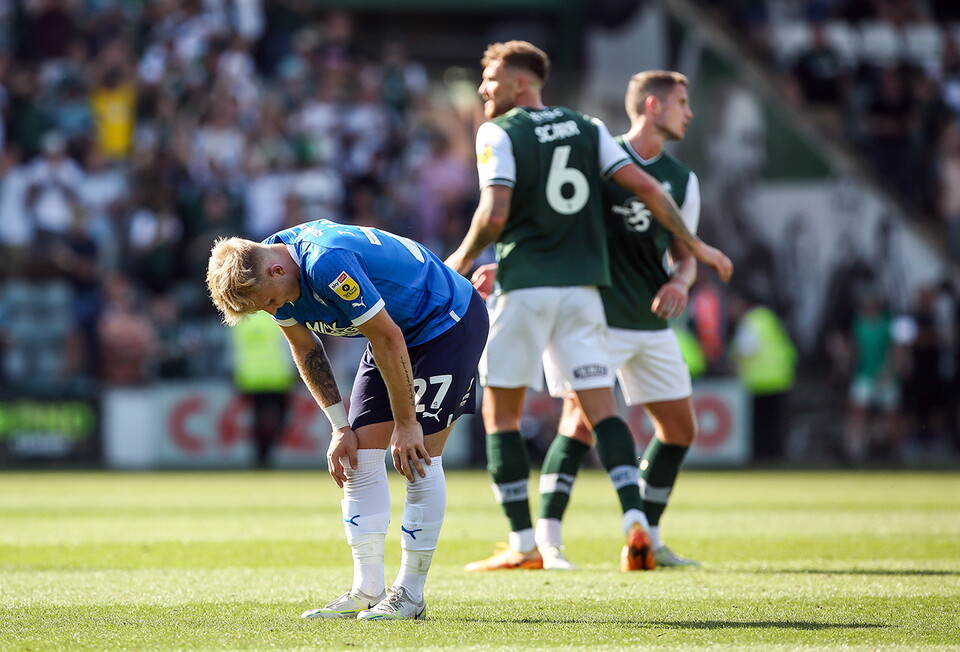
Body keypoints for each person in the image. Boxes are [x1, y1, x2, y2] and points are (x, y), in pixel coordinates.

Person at [444, 41, 732, 572]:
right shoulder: (588, 127)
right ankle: (635, 526)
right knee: (600, 412)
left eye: (490, 77)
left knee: (500, 415)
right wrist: (698, 246)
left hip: (528, 285)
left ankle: (526, 543)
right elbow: (644, 186)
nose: (484, 88)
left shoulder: (498, 132)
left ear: (521, 82)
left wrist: (456, 263)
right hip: (583, 295)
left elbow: (496, 210)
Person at [206, 219, 488, 620]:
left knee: (418, 457)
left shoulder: (326, 262)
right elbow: (305, 349)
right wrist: (339, 426)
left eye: (269, 302)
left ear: (277, 271)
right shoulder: (271, 268)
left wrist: (407, 424)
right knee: (357, 459)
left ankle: (410, 593)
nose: (275, 310)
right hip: (389, 331)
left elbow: (387, 337)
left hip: (446, 323)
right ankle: (367, 589)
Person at [533, 70, 708, 570]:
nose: (688, 112)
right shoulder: (595, 157)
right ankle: (547, 542)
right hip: (594, 320)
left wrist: (680, 281)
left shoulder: (682, 180)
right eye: (682, 102)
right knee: (578, 423)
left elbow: (687, 252)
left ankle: (646, 539)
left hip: (650, 322)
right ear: (652, 106)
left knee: (679, 429)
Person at [727, 290, 798, 462]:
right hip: (780, 378)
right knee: (775, 423)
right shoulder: (768, 318)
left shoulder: (752, 321)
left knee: (761, 424)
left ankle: (763, 458)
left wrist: (733, 359)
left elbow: (747, 349)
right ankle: (775, 457)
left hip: (761, 381)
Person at [229, 309, 297, 469]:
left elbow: (234, 349)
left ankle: (260, 456)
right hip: (278, 376)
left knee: (256, 420)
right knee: (281, 418)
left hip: (251, 378)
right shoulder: (280, 313)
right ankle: (266, 455)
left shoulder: (240, 318)